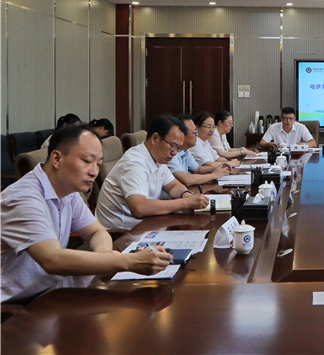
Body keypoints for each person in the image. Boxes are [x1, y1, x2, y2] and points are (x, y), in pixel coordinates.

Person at [1, 125, 173, 303]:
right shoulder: (23, 197)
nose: (94, 172)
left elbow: (96, 232)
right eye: (86, 161)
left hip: (54, 290)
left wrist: (105, 257)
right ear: (57, 158)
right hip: (16, 306)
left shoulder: (68, 191)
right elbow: (52, 259)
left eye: (98, 164)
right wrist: (127, 261)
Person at [96, 114, 209, 230]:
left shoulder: (158, 158)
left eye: (178, 148)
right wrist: (186, 203)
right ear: (155, 138)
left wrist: (187, 195)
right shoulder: (134, 162)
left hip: (146, 225)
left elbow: (173, 186)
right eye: (173, 146)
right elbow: (139, 207)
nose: (175, 153)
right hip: (121, 233)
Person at [168, 114, 232, 186]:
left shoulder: (185, 151)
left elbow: (198, 169)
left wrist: (220, 168)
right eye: (194, 132)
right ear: (181, 134)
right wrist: (214, 175)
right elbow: (186, 180)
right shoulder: (171, 154)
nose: (197, 135)